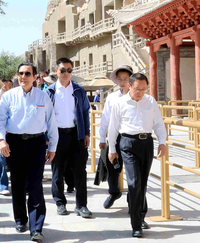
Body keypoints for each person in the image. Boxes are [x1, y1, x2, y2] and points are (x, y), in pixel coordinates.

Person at [0, 62, 58, 242]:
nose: (23, 77)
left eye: (28, 73)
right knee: (18, 184)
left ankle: (36, 227)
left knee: (36, 185)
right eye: (21, 73)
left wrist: (52, 147)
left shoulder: (43, 97)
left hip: (37, 143)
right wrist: (1, 140)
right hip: (14, 143)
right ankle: (21, 219)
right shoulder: (8, 96)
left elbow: (52, 122)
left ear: (35, 77)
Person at [108, 73, 167, 238]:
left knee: (142, 184)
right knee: (134, 183)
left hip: (146, 144)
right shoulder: (119, 103)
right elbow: (113, 128)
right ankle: (136, 225)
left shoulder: (151, 102)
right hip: (127, 144)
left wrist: (162, 142)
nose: (140, 92)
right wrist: (112, 149)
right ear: (129, 86)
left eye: (143, 89)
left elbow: (159, 124)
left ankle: (141, 216)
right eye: (136, 89)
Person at [46, 58, 91, 218]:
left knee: (80, 172)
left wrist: (86, 133)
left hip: (76, 135)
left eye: (69, 70)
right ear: (56, 71)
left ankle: (81, 205)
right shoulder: (49, 92)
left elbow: (85, 112)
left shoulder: (78, 90)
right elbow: (44, 115)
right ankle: (60, 203)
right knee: (57, 172)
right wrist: (46, 137)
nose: (66, 73)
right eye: (63, 70)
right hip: (56, 136)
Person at [99, 64, 133, 209]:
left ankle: (133, 202)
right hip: (114, 137)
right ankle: (114, 192)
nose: (122, 82)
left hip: (131, 137)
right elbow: (105, 118)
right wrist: (102, 138)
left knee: (133, 173)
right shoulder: (112, 97)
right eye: (120, 79)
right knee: (112, 168)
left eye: (125, 79)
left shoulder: (137, 96)